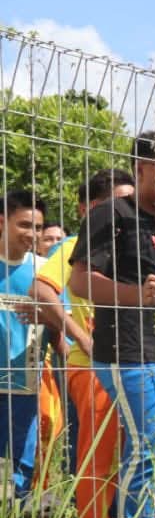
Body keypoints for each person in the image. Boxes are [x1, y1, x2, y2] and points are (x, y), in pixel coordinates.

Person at [69, 132, 155, 518]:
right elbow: (79, 282)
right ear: (142, 168)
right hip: (129, 353)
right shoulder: (110, 215)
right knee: (147, 455)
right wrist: (136, 297)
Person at [33, 169, 135, 518]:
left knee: (135, 459)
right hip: (92, 369)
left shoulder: (133, 248)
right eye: (116, 202)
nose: (124, 211)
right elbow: (42, 290)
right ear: (87, 208)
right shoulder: (75, 244)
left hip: (134, 366)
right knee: (99, 461)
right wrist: (81, 339)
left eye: (129, 202)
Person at [1, 190, 67, 500]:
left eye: (38, 227)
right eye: (24, 225)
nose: (32, 234)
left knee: (19, 481)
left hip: (25, 390)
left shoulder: (44, 272)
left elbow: (61, 328)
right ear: (3, 221)